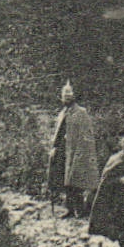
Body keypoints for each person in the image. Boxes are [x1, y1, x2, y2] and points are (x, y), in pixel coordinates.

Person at [46, 81, 99, 218]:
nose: (67, 96)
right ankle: (69, 209)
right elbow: (57, 134)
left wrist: (82, 152)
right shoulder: (62, 113)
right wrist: (54, 148)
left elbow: (86, 135)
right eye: (64, 93)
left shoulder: (81, 112)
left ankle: (80, 210)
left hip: (76, 150)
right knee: (66, 180)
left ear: (75, 95)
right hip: (64, 150)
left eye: (69, 93)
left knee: (77, 180)